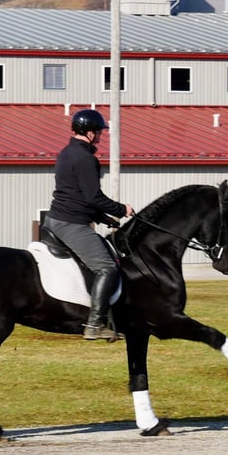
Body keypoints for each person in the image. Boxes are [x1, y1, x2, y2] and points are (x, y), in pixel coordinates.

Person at [44, 108, 134, 341]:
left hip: (57, 218)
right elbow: (94, 197)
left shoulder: (66, 153)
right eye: (99, 132)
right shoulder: (86, 158)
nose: (101, 136)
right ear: (90, 132)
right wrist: (121, 209)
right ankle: (95, 324)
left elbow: (77, 194)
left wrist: (103, 218)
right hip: (70, 223)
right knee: (107, 267)